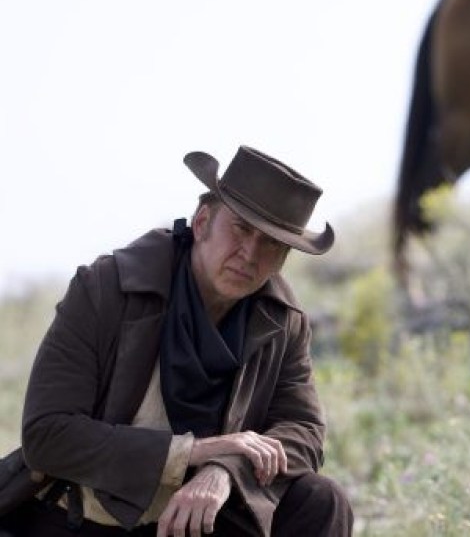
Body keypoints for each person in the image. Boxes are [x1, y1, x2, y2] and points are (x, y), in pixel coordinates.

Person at [0, 146, 353, 536]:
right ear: (202, 222)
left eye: (271, 243)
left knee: (321, 500)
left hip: (193, 521)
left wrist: (225, 468)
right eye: (241, 228)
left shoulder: (281, 318)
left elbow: (303, 432)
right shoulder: (105, 288)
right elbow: (46, 434)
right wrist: (194, 453)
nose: (250, 254)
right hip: (83, 520)